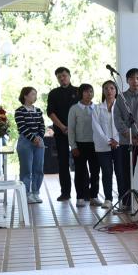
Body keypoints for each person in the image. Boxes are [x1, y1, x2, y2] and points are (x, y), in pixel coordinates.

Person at [46, 67, 83, 202]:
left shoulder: (78, 91)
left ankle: (82, 193)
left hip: (78, 132)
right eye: (59, 77)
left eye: (64, 75)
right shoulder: (53, 93)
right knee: (63, 162)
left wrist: (73, 128)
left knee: (80, 162)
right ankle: (65, 192)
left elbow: (83, 110)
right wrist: (62, 127)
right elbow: (50, 112)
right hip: (61, 131)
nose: (62, 78)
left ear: (69, 76)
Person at [118, 68, 138, 212]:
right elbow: (117, 118)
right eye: (131, 78)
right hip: (127, 142)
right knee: (126, 173)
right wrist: (129, 135)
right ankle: (126, 203)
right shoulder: (121, 97)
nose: (135, 81)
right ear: (127, 80)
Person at [66, 83, 99, 205]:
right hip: (79, 145)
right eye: (86, 91)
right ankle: (80, 197)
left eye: (91, 91)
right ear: (80, 93)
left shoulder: (97, 108)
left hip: (95, 145)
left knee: (95, 172)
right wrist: (73, 146)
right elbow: (71, 129)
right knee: (80, 172)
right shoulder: (74, 109)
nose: (89, 94)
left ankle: (94, 196)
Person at [13, 86, 46, 204]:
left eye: (35, 94)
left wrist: (39, 137)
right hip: (25, 141)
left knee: (39, 168)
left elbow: (42, 126)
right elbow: (22, 127)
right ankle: (26, 194)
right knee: (26, 169)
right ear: (25, 96)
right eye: (32, 94)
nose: (35, 96)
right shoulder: (19, 111)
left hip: (39, 141)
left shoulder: (38, 110)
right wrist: (33, 138)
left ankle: (36, 193)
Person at [93, 80, 123, 204]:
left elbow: (124, 125)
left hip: (119, 144)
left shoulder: (122, 107)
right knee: (106, 172)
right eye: (106, 88)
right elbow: (96, 127)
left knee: (120, 172)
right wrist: (108, 140)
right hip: (103, 146)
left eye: (112, 88)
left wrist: (117, 140)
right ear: (103, 91)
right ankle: (108, 199)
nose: (109, 91)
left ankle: (123, 199)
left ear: (116, 91)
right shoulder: (97, 108)